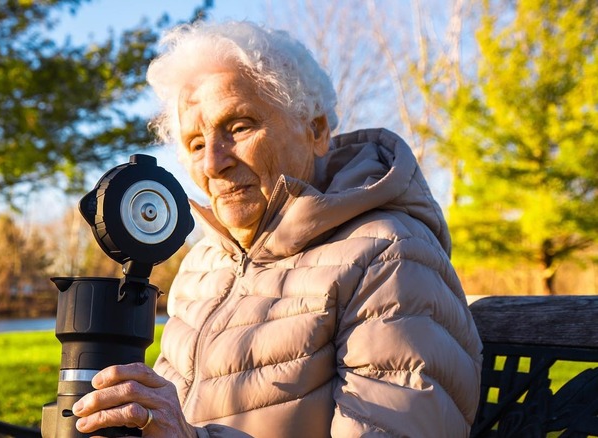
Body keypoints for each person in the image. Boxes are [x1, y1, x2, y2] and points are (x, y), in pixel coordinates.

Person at [71, 21, 483, 437]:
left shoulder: (389, 256)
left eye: (239, 127)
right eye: (196, 144)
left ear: (316, 130)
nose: (213, 163)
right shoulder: (205, 264)